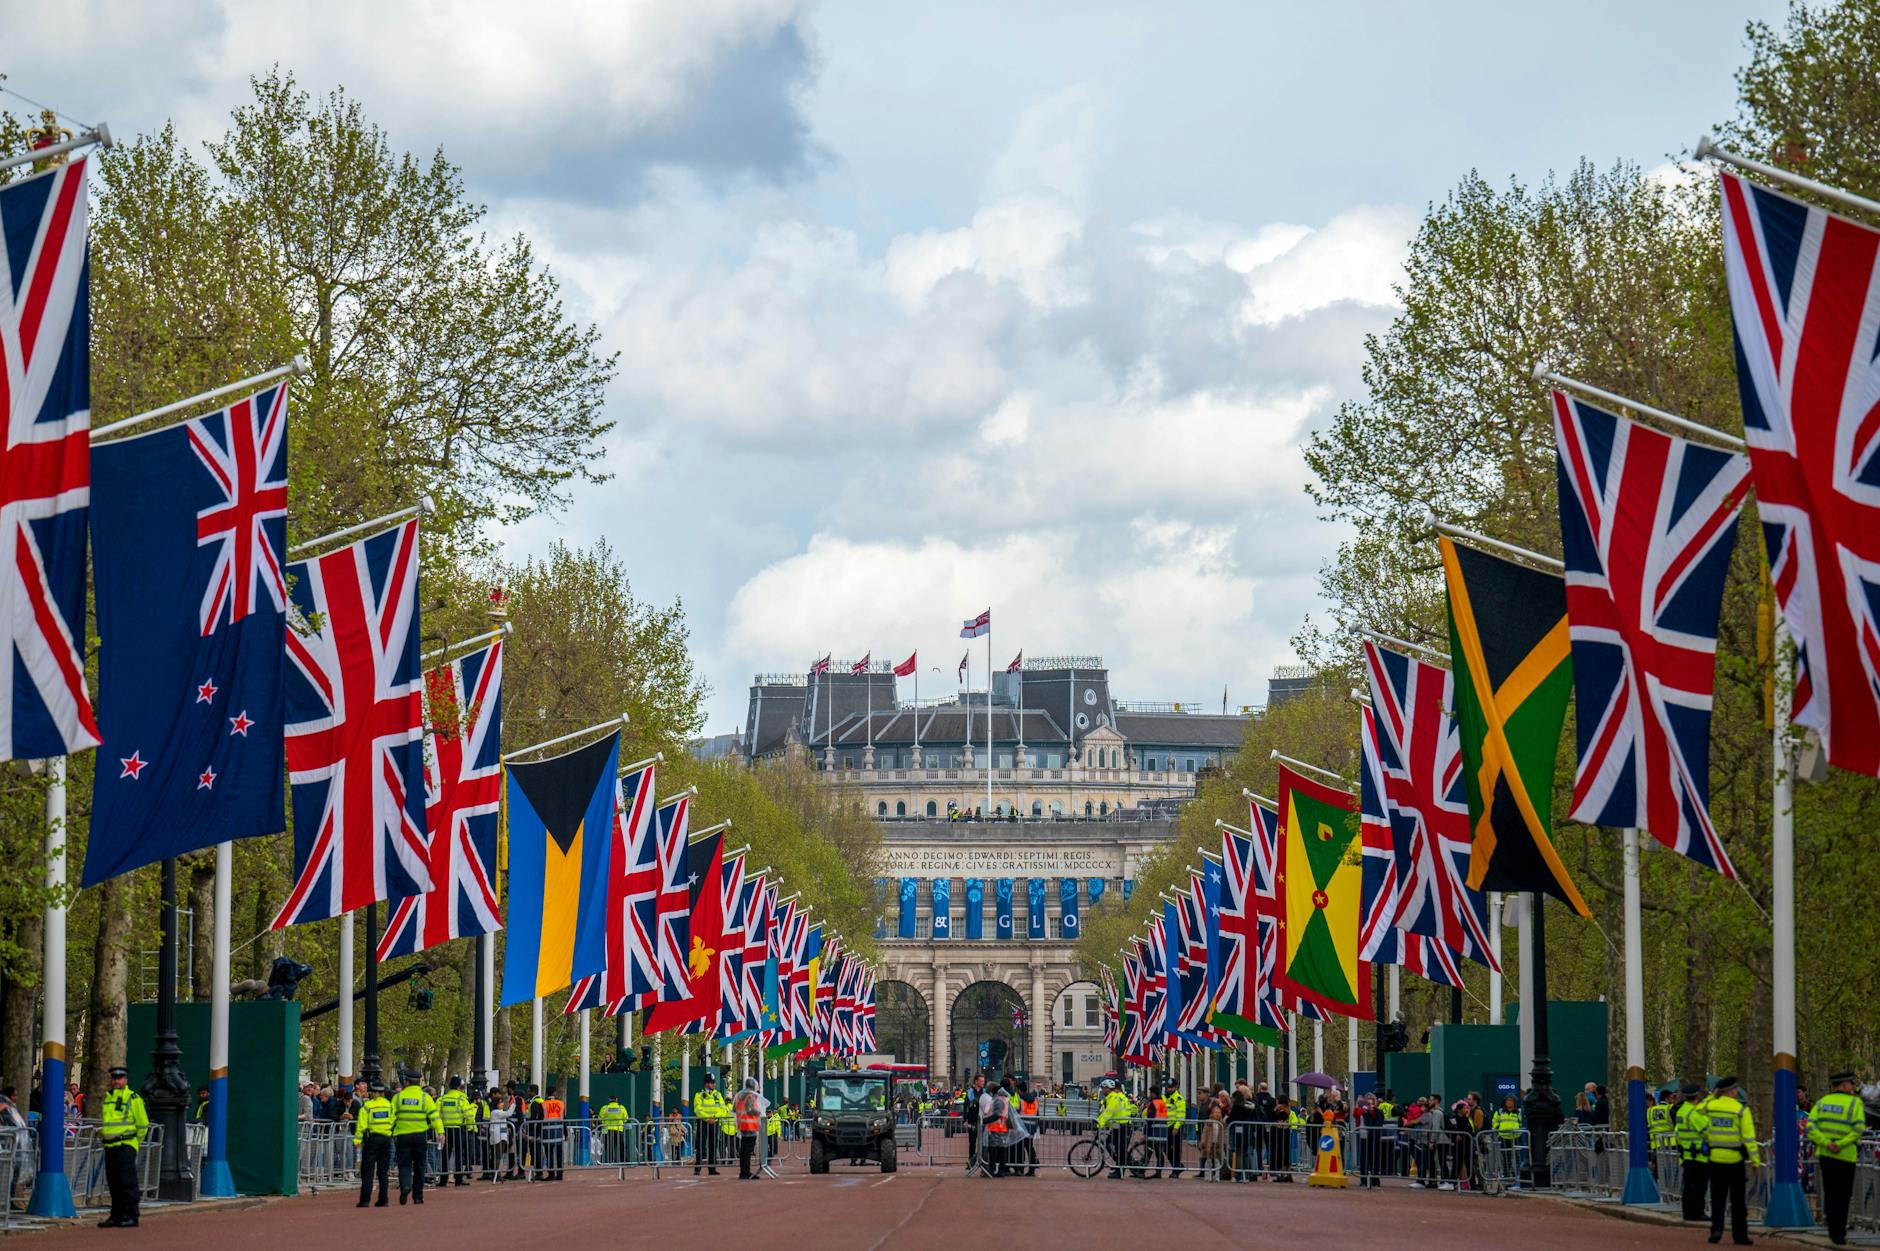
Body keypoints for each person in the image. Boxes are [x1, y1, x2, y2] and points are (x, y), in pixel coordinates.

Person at [1808, 1071, 1868, 1247]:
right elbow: (1858, 1128)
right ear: (1844, 1085)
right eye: (1851, 1084)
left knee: (1830, 1193)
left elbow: (1810, 1126)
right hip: (1845, 1155)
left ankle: (1832, 1230)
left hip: (1826, 1155)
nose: (1853, 1087)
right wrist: (1840, 1144)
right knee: (1843, 1195)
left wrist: (1826, 1143)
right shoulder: (1854, 1103)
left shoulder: (1821, 1103)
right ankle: (1840, 1233)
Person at [1701, 1076, 1759, 1246]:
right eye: (1735, 1089)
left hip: (1715, 1159)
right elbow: (1749, 1138)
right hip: (1735, 1161)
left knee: (1718, 1198)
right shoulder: (1741, 1109)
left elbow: (1698, 1109)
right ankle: (1739, 1235)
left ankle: (1717, 1230)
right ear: (1732, 1091)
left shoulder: (1710, 1106)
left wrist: (1713, 1096)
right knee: (1738, 1201)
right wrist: (1755, 1160)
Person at [97, 1066, 148, 1229]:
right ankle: (116, 1215)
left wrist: (134, 1143)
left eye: (119, 1078)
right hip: (110, 1145)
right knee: (114, 1183)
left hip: (126, 1144)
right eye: (114, 1078)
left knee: (127, 1182)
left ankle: (132, 1215)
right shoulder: (108, 1098)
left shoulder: (133, 1098)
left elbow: (142, 1124)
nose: (116, 1081)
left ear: (125, 1080)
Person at [391, 1072, 442, 1204]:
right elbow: (434, 1116)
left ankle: (405, 1186)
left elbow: (391, 1117)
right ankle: (418, 1196)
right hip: (420, 1136)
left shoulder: (398, 1097)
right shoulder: (425, 1098)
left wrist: (387, 1131)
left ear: (407, 1082)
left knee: (404, 1164)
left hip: (402, 1135)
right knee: (420, 1165)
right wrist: (440, 1132)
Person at [353, 1080, 395, 1207]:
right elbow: (393, 1120)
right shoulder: (389, 1105)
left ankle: (365, 1200)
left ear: (374, 1092)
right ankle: (383, 1199)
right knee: (383, 1171)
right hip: (386, 1139)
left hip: (372, 1139)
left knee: (368, 1171)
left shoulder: (367, 1106)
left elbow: (361, 1125)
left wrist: (357, 1140)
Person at [1675, 1081, 1711, 1223]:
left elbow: (1678, 1131)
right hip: (1699, 1156)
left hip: (1686, 1154)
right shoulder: (1694, 1113)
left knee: (1688, 1186)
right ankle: (1698, 1213)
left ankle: (1688, 1213)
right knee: (1699, 1186)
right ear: (1697, 1096)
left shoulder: (1681, 1111)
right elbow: (1706, 1131)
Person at [1096, 1079, 1134, 1179]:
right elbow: (1105, 1113)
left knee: (1120, 1149)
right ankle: (1119, 1165)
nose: (1102, 1090)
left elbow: (1108, 1113)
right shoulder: (1114, 1097)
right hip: (1118, 1125)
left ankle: (1120, 1169)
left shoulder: (1114, 1098)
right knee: (1114, 1146)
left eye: (1103, 1088)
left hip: (1122, 1126)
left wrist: (1098, 1124)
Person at [438, 1076, 471, 1186]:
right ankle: (458, 1180)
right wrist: (469, 1126)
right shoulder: (461, 1099)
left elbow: (436, 1115)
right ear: (459, 1087)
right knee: (458, 1155)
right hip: (458, 1130)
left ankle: (443, 1180)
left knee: (445, 1155)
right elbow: (469, 1114)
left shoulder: (442, 1099)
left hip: (445, 1130)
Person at [732, 1077, 767, 1180]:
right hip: (750, 1125)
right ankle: (746, 1172)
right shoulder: (750, 1096)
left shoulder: (739, 1095)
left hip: (742, 1125)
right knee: (748, 1150)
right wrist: (758, 1112)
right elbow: (750, 1109)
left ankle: (743, 1171)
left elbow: (734, 1108)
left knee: (743, 1150)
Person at [692, 1073, 727, 1176]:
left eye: (714, 1083)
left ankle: (712, 1168)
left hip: (714, 1122)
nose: (713, 1085)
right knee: (700, 1145)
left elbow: (723, 1109)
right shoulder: (699, 1095)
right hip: (703, 1122)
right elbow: (697, 1109)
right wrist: (707, 1118)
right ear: (706, 1084)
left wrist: (715, 1117)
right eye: (711, 1083)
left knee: (713, 1145)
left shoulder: (718, 1095)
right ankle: (697, 1167)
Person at [1491, 1095, 1523, 1190]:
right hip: (1504, 1137)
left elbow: (1521, 1122)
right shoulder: (1500, 1112)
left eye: (1511, 1101)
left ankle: (1517, 1176)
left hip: (1516, 1137)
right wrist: (1498, 1127)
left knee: (1517, 1157)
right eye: (1507, 1101)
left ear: (1514, 1102)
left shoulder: (1518, 1112)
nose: (1509, 1102)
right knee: (1505, 1158)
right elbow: (1494, 1122)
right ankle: (1507, 1175)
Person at [540, 1086, 566, 1180]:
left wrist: (538, 1134)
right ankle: (560, 1174)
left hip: (547, 1133)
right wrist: (565, 1133)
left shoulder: (543, 1104)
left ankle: (551, 1174)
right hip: (559, 1132)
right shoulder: (561, 1103)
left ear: (547, 1093)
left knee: (549, 1154)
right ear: (554, 1093)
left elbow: (540, 1120)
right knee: (559, 1154)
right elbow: (564, 1119)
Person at [962, 1075, 985, 1171]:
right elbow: (965, 1107)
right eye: (981, 1081)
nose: (983, 1083)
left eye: (983, 1081)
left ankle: (983, 1162)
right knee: (972, 1142)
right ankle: (971, 1162)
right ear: (976, 1081)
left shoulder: (985, 1092)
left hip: (983, 1121)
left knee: (983, 1143)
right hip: (972, 1120)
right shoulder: (969, 1092)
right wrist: (965, 1120)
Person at [1164, 1081, 1187, 1179]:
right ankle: (1178, 1166)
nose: (1169, 1089)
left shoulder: (1179, 1099)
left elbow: (1181, 1114)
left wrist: (1176, 1127)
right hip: (1165, 1126)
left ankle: (1176, 1170)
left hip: (1174, 1127)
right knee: (1166, 1148)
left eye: (1171, 1087)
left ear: (1176, 1087)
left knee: (1176, 1150)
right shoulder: (1164, 1097)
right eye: (1168, 1087)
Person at [598, 1094, 629, 1164]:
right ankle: (623, 1160)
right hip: (618, 1129)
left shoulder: (604, 1108)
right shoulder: (621, 1108)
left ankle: (610, 1161)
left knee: (608, 1145)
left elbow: (599, 1118)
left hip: (606, 1130)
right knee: (621, 1145)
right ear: (616, 1099)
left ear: (609, 1100)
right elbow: (626, 1118)